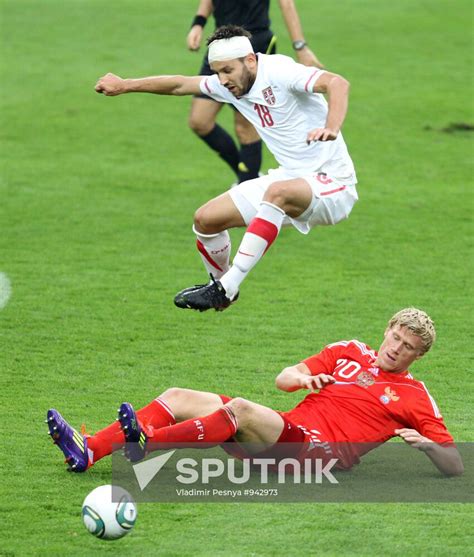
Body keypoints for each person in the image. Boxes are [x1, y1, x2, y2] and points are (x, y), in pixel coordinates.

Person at [95, 25, 358, 312]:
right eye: (217, 72)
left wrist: (331, 127)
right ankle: (222, 289)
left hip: (333, 185)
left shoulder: (280, 71)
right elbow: (179, 85)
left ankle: (228, 285)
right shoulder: (228, 86)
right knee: (206, 220)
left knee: (277, 193)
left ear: (250, 60)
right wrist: (124, 85)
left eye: (227, 71)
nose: (222, 80)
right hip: (290, 177)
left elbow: (337, 83)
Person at [47, 308, 463, 476]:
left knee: (241, 409)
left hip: (321, 456)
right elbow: (284, 378)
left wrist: (426, 444)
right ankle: (90, 451)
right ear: (387, 330)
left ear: (419, 354)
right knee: (177, 396)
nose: (396, 349)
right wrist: (304, 379)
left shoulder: (414, 396)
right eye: (395, 337)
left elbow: (455, 464)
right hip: (286, 433)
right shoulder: (348, 351)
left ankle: (146, 443)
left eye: (407, 347)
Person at [187, 0, 324, 184]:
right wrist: (198, 22)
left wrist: (301, 47)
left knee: (245, 125)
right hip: (220, 48)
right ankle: (249, 178)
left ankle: (247, 184)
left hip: (254, 43)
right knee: (199, 121)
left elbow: (286, 4)